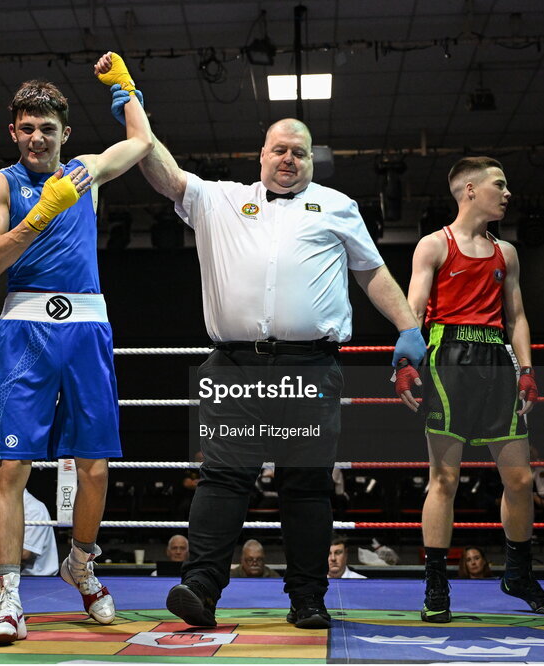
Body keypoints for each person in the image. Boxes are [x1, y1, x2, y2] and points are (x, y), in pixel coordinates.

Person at [132, 108, 426, 629]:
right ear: (261, 155)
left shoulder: (337, 207)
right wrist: (132, 104)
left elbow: (372, 272)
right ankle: (200, 585)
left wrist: (408, 330)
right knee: (223, 477)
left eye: (300, 151)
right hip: (236, 366)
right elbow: (165, 174)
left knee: (307, 483)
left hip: (309, 366)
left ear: (312, 160)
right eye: (280, 149)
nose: (288, 159)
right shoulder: (220, 198)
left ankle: (308, 598)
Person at [0, 51, 153, 647]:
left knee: (95, 466)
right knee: (12, 466)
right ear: (14, 131)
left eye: (47, 128)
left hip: (86, 328)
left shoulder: (83, 171)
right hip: (25, 328)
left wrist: (125, 90)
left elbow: (142, 143)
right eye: (26, 127)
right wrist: (40, 217)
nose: (36, 137)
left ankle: (81, 562)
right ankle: (8, 599)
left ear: (64, 133)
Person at [405, 156, 544, 623]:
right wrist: (405, 364)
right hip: (446, 358)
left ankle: (518, 572)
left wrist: (527, 368)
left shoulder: (507, 252)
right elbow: (415, 311)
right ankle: (436, 583)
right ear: (469, 190)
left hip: (497, 360)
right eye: (500, 183)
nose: (508, 192)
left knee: (519, 478)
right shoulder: (433, 245)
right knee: (445, 479)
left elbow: (515, 317)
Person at [0, 488, 58, 576]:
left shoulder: (34, 509)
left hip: (33, 581)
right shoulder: (3, 505)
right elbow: (0, 543)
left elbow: (24, 554)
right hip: (0, 574)